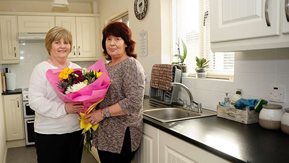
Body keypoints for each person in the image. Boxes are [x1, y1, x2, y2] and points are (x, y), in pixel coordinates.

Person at [85, 22, 145, 163]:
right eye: (108, 39)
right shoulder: (103, 68)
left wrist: (102, 113)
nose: (112, 43)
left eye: (117, 39)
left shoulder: (131, 65)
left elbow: (133, 102)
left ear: (126, 43)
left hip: (121, 135)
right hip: (104, 133)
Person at [29, 26, 84, 163]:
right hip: (49, 133)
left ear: (71, 46)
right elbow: (35, 101)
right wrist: (64, 108)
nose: (62, 46)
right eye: (57, 42)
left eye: (66, 42)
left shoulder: (76, 69)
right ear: (49, 45)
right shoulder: (41, 69)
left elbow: (84, 97)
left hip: (75, 130)